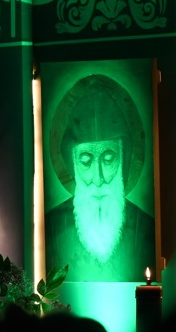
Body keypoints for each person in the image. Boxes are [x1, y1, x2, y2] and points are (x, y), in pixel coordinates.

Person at [44, 73, 156, 282]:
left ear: (124, 159)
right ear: (72, 163)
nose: (98, 178)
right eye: (86, 161)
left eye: (108, 158)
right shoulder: (49, 228)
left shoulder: (148, 228)